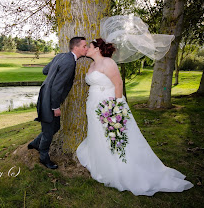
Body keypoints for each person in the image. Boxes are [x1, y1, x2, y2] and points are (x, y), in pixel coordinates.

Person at [76, 38, 194, 196]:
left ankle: (123, 169)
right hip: (93, 105)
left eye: (89, 47)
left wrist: (117, 108)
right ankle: (103, 164)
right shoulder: (91, 65)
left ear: (97, 49)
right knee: (99, 135)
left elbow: (118, 84)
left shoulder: (108, 63)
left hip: (109, 106)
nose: (87, 50)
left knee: (116, 137)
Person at [28, 37, 88, 169]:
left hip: (45, 95)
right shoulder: (69, 62)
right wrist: (55, 107)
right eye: (84, 46)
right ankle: (44, 157)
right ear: (76, 48)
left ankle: (35, 143)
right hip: (49, 100)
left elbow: (45, 71)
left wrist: (54, 72)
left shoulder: (61, 56)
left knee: (55, 127)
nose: (86, 48)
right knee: (49, 131)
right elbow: (57, 87)